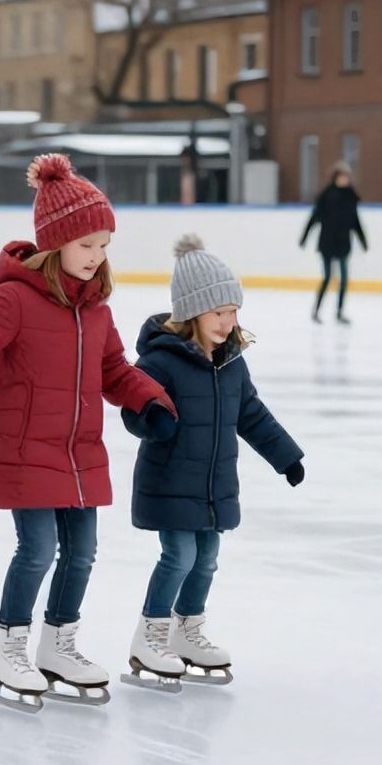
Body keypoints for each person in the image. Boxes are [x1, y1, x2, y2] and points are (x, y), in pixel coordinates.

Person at [0, 153, 174, 711]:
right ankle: (7, 645)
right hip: (25, 449)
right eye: (87, 245)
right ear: (55, 243)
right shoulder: (16, 299)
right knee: (36, 550)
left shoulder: (97, 311)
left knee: (81, 553)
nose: (97, 257)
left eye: (105, 246)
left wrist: (149, 399)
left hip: (79, 453)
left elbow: (114, 371)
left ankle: (59, 644)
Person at [121, 236, 303, 687]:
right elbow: (132, 407)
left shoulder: (231, 365)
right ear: (191, 313)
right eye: (218, 312)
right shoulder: (160, 361)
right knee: (178, 555)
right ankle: (151, 635)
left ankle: (187, 631)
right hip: (169, 481)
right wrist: (153, 420)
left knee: (206, 559)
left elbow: (253, 416)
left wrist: (287, 457)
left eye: (233, 312)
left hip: (211, 487)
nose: (228, 321)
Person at [300, 161, 367, 324]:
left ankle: (339, 312)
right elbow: (314, 217)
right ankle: (316, 311)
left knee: (343, 279)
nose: (344, 180)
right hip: (328, 243)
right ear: (336, 177)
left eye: (346, 177)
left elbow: (355, 221)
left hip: (343, 243)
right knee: (328, 277)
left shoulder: (350, 196)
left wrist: (363, 239)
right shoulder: (326, 195)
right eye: (341, 176)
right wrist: (305, 237)